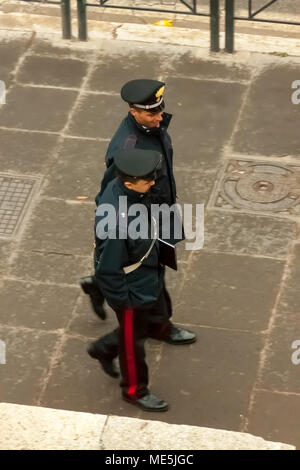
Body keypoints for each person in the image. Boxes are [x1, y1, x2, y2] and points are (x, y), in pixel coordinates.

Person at [88, 148, 196, 412]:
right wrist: (125, 302)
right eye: (146, 180)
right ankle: (135, 390)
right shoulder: (116, 221)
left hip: (149, 269)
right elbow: (108, 270)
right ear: (128, 182)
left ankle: (153, 331)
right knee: (131, 342)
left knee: (157, 307)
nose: (152, 182)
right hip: (132, 288)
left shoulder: (131, 189)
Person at [82, 78, 183, 321]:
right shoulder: (128, 149)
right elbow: (112, 189)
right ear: (133, 112)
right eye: (151, 114)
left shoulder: (151, 128)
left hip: (159, 207)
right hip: (144, 215)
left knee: (150, 265)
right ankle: (160, 325)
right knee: (150, 269)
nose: (160, 117)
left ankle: (99, 283)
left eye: (160, 109)